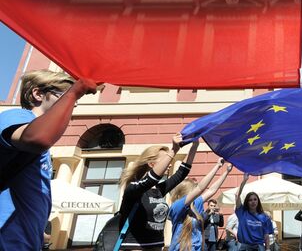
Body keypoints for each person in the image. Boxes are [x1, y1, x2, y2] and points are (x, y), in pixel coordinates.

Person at [0, 70, 99, 250]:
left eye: (74, 101)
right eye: (64, 97)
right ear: (38, 94)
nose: (72, 105)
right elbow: (38, 138)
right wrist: (76, 90)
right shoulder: (16, 116)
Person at [117, 134, 191, 250]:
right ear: (151, 164)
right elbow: (151, 179)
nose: (170, 164)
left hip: (156, 246)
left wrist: (194, 144)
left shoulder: (159, 189)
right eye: (166, 160)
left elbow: (181, 173)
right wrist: (174, 150)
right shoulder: (133, 188)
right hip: (135, 247)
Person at [169, 158, 232, 251]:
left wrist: (226, 171)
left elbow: (212, 190)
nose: (196, 192)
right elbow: (200, 188)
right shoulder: (177, 207)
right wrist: (216, 166)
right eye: (193, 189)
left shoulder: (195, 204)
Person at [235, 173, 274, 251]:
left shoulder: (265, 217)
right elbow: (237, 195)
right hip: (244, 247)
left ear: (258, 201)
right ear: (247, 202)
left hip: (259, 247)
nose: (253, 202)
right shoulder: (242, 212)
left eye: (255, 199)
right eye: (250, 200)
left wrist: (268, 249)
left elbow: (266, 236)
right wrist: (244, 180)